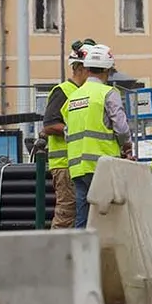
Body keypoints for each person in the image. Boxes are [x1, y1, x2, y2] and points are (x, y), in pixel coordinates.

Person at [63, 43, 134, 229]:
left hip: (78, 166)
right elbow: (121, 127)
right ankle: (105, 256)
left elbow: (67, 130)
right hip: (102, 166)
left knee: (83, 216)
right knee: (108, 217)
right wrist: (126, 146)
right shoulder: (108, 93)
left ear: (86, 68)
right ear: (108, 70)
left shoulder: (74, 97)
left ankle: (82, 256)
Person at [40, 38, 95, 230]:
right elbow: (48, 125)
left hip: (79, 164)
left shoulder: (85, 92)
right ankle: (57, 256)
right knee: (67, 213)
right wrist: (70, 131)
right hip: (64, 165)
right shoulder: (63, 91)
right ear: (80, 68)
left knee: (80, 213)